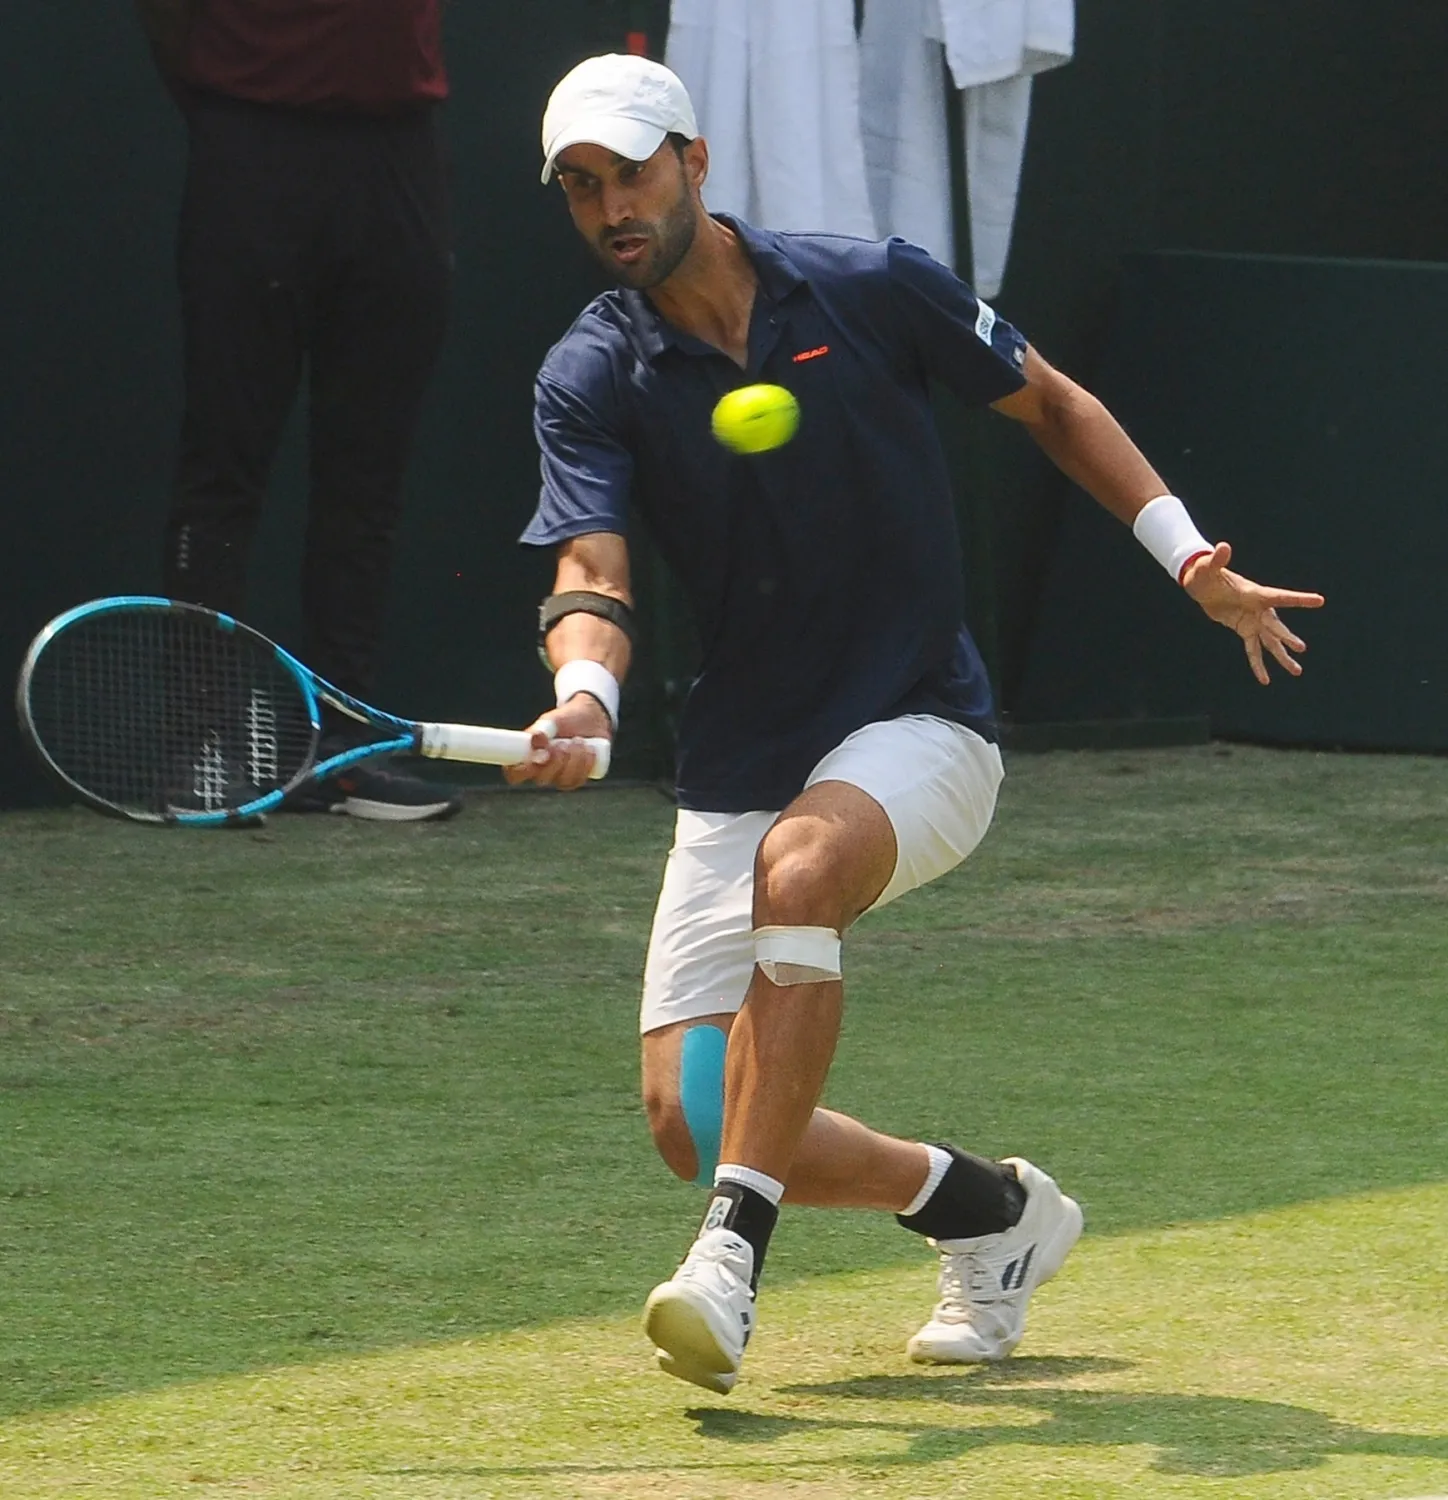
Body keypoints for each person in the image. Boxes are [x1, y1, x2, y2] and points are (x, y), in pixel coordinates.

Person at [508, 53, 1325, 1394]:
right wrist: (583, 694)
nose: (611, 208)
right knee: (690, 1114)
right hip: (745, 751)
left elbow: (1054, 402)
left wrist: (1189, 560)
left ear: (695, 165)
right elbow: (591, 569)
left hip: (922, 723)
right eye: (583, 189)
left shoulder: (872, 284)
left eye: (632, 175)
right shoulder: (590, 372)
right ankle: (992, 1216)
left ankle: (731, 1256)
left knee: (804, 872)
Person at [133, 0, 463, 821]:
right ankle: (200, 749)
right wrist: (237, 100)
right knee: (222, 471)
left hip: (397, 152)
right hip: (251, 145)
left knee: (368, 477)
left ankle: (340, 752)